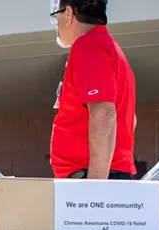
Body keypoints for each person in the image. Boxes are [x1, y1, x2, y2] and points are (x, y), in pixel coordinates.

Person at [50, 0, 138, 180]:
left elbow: (104, 113)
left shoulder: (88, 46)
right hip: (104, 175)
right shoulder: (109, 47)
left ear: (68, 14)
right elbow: (130, 119)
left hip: (92, 178)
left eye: (55, 16)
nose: (56, 25)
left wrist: (95, 190)